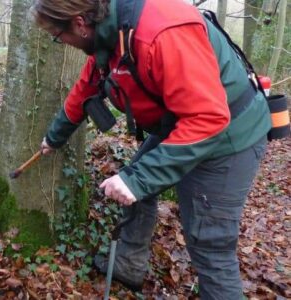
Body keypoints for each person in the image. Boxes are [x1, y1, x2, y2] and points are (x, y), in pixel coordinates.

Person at [31, 0, 271, 299]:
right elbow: (86, 90)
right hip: (181, 122)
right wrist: (54, 138)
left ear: (79, 23)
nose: (62, 42)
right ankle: (127, 265)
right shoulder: (110, 37)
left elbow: (209, 117)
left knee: (210, 244)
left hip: (230, 135)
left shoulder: (161, 32)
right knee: (133, 185)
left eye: (58, 35)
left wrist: (138, 179)